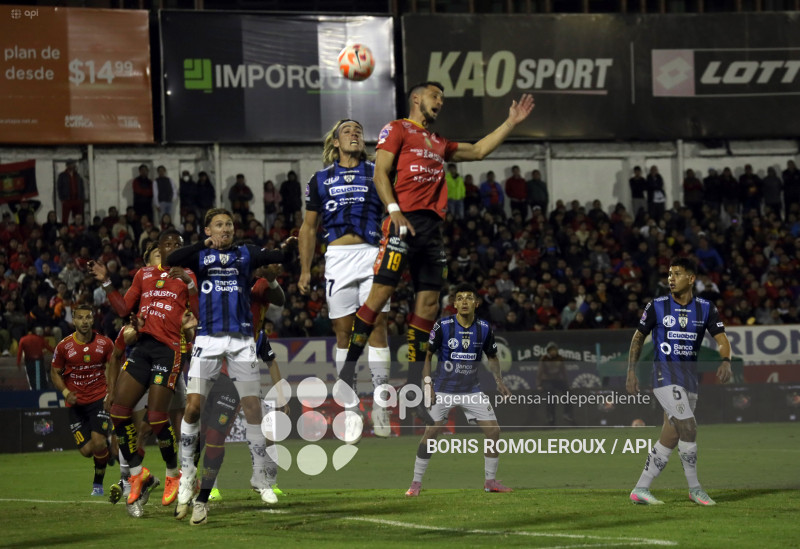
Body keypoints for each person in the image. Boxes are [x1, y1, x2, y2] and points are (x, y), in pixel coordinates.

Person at [339, 82, 533, 426]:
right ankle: (347, 371)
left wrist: (511, 124)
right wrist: (394, 208)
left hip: (431, 230)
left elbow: (476, 152)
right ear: (417, 99)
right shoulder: (397, 129)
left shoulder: (439, 142)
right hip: (402, 222)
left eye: (442, 98)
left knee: (427, 307)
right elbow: (381, 173)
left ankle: (413, 392)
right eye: (434, 96)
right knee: (380, 294)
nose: (439, 102)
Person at [167, 208, 295, 520]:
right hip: (208, 340)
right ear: (208, 229)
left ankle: (261, 477)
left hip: (240, 341)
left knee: (253, 408)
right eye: (219, 225)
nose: (226, 229)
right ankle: (186, 478)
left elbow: (278, 257)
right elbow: (171, 260)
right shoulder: (200, 256)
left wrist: (289, 250)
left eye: (229, 225)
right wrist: (203, 244)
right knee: (193, 407)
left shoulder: (246, 253)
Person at [90, 229, 199, 513]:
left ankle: (174, 475)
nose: (173, 247)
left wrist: (189, 286)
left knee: (156, 417)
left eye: (178, 244)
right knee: (117, 410)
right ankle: (138, 474)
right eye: (168, 243)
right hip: (143, 347)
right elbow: (124, 307)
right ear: (159, 247)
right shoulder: (144, 274)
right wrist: (107, 283)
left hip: (170, 349)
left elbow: (197, 313)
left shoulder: (188, 275)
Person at [297, 118, 392, 436]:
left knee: (376, 326)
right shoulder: (320, 179)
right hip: (337, 259)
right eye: (347, 131)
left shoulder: (378, 171)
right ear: (335, 141)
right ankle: (351, 407)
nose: (355, 134)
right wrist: (304, 269)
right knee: (343, 334)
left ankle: (380, 404)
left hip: (372, 255)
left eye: (359, 131)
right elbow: (309, 227)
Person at [626, 257, 732, 506]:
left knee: (671, 436)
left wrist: (726, 360)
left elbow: (722, 338)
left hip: (689, 378)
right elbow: (638, 338)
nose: (671, 279)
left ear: (691, 279)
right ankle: (695, 489)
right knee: (689, 426)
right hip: (664, 375)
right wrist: (631, 371)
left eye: (677, 274)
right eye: (669, 274)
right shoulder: (657, 306)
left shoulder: (706, 308)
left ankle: (640, 489)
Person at [405, 283, 513, 497]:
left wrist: (499, 380)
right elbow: (427, 355)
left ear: (476, 303)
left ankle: (490, 482)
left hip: (471, 390)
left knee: (493, 431)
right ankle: (416, 483)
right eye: (460, 298)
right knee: (432, 431)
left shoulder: (484, 328)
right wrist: (427, 384)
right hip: (443, 389)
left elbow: (492, 356)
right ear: (454, 304)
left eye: (469, 298)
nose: (464, 301)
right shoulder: (442, 326)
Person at [50, 304, 115, 496]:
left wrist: (110, 391)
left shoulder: (105, 343)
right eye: (80, 318)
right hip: (75, 403)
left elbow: (113, 365)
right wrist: (65, 392)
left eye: (88, 317)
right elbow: (55, 372)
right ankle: (108, 448)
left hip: (98, 399)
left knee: (97, 443)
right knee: (87, 451)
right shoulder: (64, 346)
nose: (84, 321)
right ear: (74, 320)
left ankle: (98, 484)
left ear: (93, 319)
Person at [536, 342, 574, 426]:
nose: (553, 352)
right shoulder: (544, 358)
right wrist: (539, 385)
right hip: (547, 380)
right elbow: (540, 372)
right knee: (550, 393)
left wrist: (567, 383)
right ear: (548, 351)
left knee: (567, 391)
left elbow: (563, 371)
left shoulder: (560, 358)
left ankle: (567, 413)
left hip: (557, 380)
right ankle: (550, 416)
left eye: (555, 350)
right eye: (551, 350)